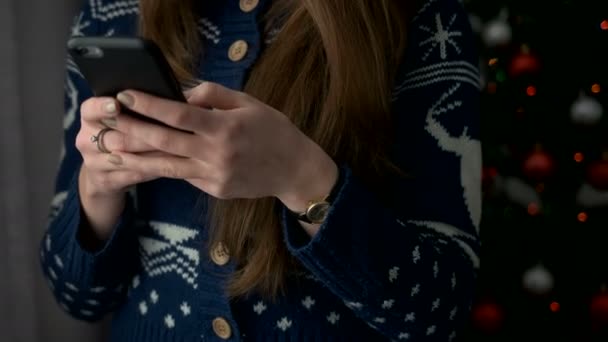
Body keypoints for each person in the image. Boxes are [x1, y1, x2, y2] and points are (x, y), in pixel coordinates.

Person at [40, 0, 482, 340]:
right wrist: (96, 188)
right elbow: (76, 296)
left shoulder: (420, 17)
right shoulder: (112, 12)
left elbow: (437, 317)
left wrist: (304, 179)